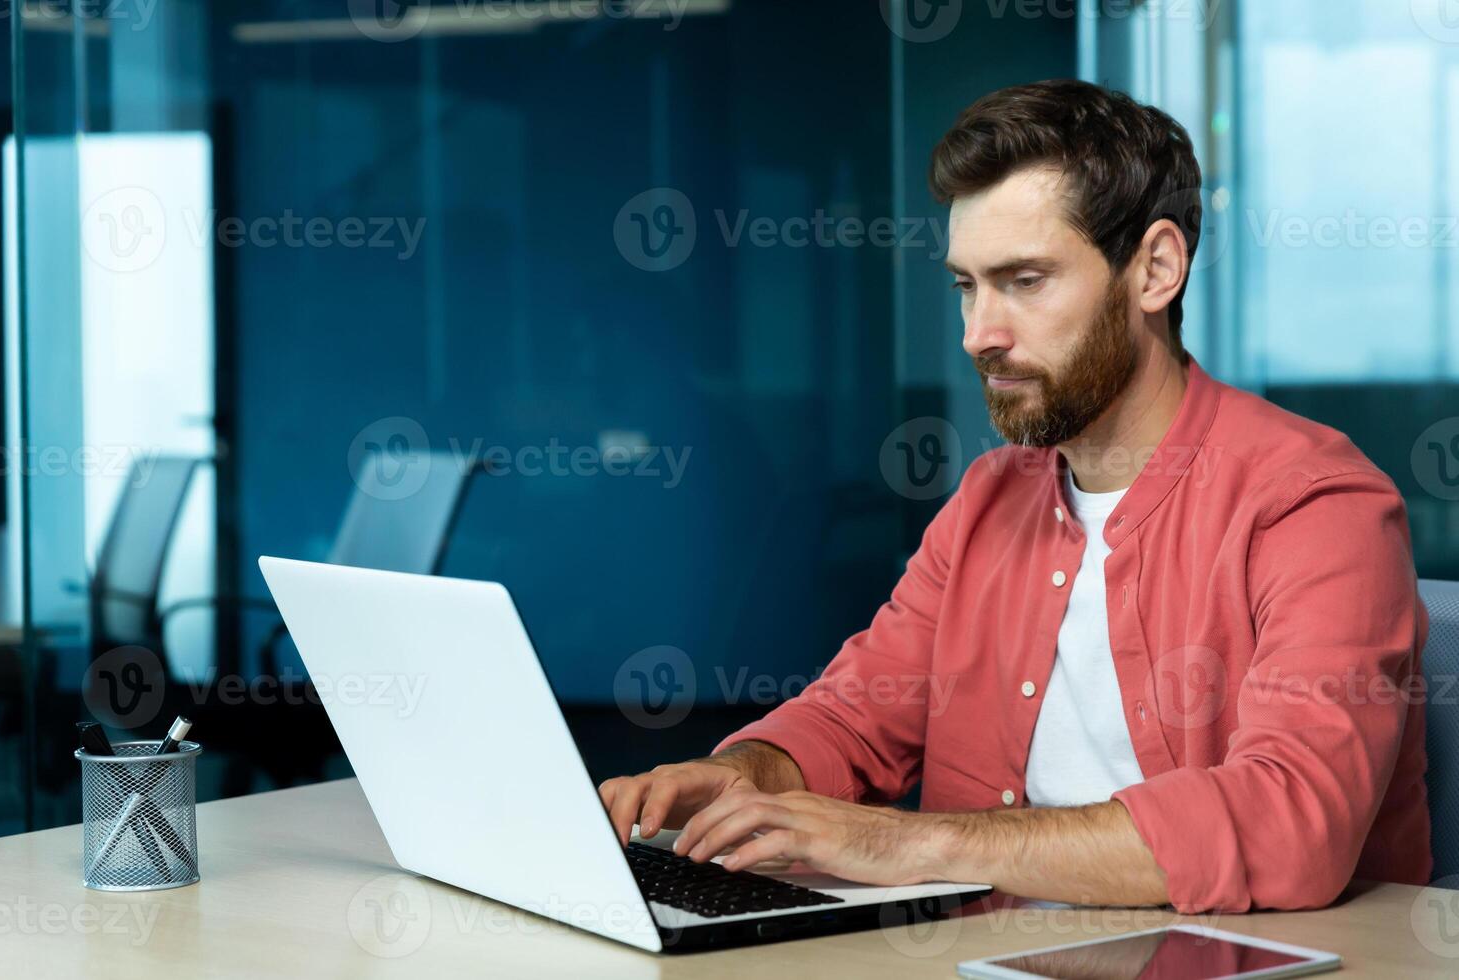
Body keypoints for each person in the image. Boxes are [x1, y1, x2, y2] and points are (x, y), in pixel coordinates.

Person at [599, 78, 1431, 914]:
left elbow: (1291, 828)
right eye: (967, 285)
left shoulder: (1317, 505)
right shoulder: (992, 496)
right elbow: (857, 717)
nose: (977, 335)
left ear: (1156, 269)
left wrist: (913, 841)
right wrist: (737, 777)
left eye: (1025, 281)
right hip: (987, 957)